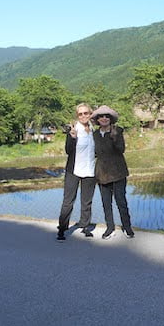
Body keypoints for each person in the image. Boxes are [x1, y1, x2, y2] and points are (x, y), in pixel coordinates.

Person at [91, 105, 134, 239]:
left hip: (117, 172)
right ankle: (110, 228)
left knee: (121, 201)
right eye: (101, 116)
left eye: (106, 116)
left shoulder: (118, 131)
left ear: (111, 119)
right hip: (102, 173)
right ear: (97, 120)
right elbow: (93, 153)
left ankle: (127, 227)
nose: (104, 118)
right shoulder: (95, 135)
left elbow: (121, 149)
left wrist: (114, 138)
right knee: (106, 202)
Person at [56, 103, 96, 241]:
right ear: (77, 116)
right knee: (68, 201)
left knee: (87, 201)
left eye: (86, 113)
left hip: (90, 169)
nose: (83, 116)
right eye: (80, 114)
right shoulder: (74, 130)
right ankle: (62, 229)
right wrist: (72, 138)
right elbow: (68, 150)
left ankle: (85, 226)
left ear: (90, 114)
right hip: (74, 170)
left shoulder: (93, 130)